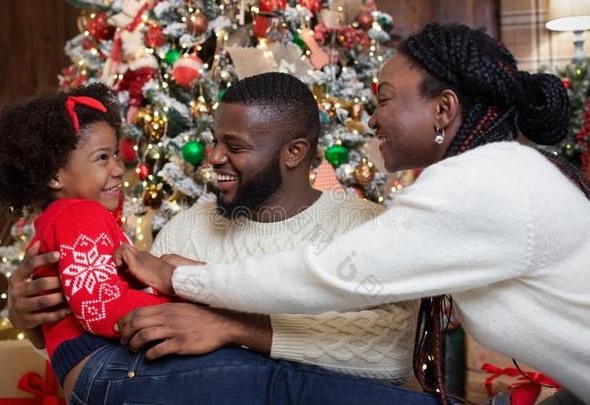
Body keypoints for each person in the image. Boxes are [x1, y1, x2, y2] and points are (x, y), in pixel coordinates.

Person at [118, 24, 590, 405]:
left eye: (384, 99)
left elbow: (329, 274)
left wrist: (186, 281)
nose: (371, 118)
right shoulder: (503, 173)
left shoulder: (482, 183)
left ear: (443, 109)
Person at [7, 74, 442, 404]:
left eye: (234, 145)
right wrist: (32, 324)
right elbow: (125, 352)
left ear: (293, 153)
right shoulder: (188, 230)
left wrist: (228, 326)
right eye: (215, 141)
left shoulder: (363, 226)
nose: (214, 158)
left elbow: (389, 352)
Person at [0, 83, 182, 402]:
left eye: (117, 154)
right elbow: (101, 307)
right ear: (54, 176)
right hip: (101, 361)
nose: (119, 169)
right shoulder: (78, 215)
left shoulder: (64, 217)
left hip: (86, 364)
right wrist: (184, 306)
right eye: (102, 158)